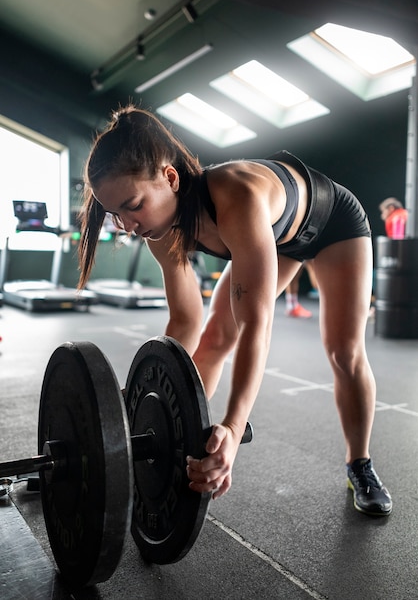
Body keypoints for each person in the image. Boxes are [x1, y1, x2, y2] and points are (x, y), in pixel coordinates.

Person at [78, 105, 392, 516]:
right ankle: (185, 440)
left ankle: (360, 464)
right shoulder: (158, 233)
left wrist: (232, 425)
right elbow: (186, 323)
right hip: (277, 236)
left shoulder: (235, 199)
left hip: (333, 222)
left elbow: (255, 325)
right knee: (212, 337)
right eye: (117, 215)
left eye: (133, 205)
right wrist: (145, 408)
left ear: (169, 178)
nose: (128, 225)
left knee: (343, 352)